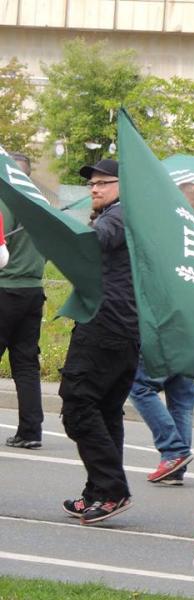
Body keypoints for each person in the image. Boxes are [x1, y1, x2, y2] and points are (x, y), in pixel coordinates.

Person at [128, 183, 194, 486]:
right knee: (181, 398)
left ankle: (173, 451)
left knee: (140, 386)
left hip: (171, 327)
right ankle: (176, 465)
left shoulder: (179, 234)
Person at [60, 159, 140, 525]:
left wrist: (53, 229)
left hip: (106, 326)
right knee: (105, 411)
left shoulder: (118, 217)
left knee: (77, 403)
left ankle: (111, 490)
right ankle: (99, 492)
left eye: (104, 182)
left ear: (123, 186)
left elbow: (95, 242)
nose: (95, 188)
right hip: (119, 325)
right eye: (92, 183)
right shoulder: (119, 215)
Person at [1, 153, 46, 449]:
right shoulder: (41, 202)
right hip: (33, 289)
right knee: (26, 363)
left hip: (5, 289)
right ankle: (31, 430)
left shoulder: (7, 201)